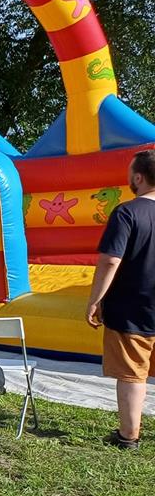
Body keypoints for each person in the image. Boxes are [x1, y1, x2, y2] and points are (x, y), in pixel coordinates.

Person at [86, 148, 155, 450]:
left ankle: (128, 436)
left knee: (132, 373)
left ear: (138, 178)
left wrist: (95, 299)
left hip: (132, 308)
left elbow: (110, 260)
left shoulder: (127, 212)